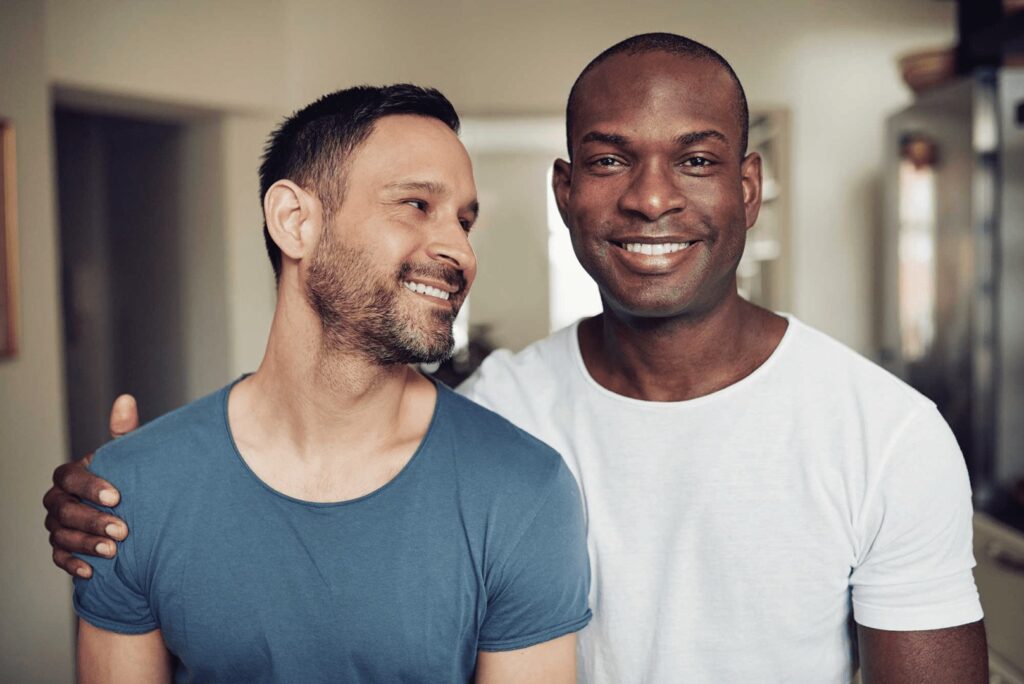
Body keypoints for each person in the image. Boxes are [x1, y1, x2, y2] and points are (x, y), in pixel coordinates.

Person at [44, 34, 987, 682]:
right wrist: (132, 492)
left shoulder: (885, 436)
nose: (652, 199)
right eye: (611, 161)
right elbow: (321, 449)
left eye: (696, 160)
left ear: (750, 188)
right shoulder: (500, 410)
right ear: (566, 193)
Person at [47, 84, 590, 683]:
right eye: (415, 204)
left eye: (464, 221)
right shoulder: (129, 492)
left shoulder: (524, 491)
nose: (460, 249)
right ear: (294, 220)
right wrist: (147, 476)